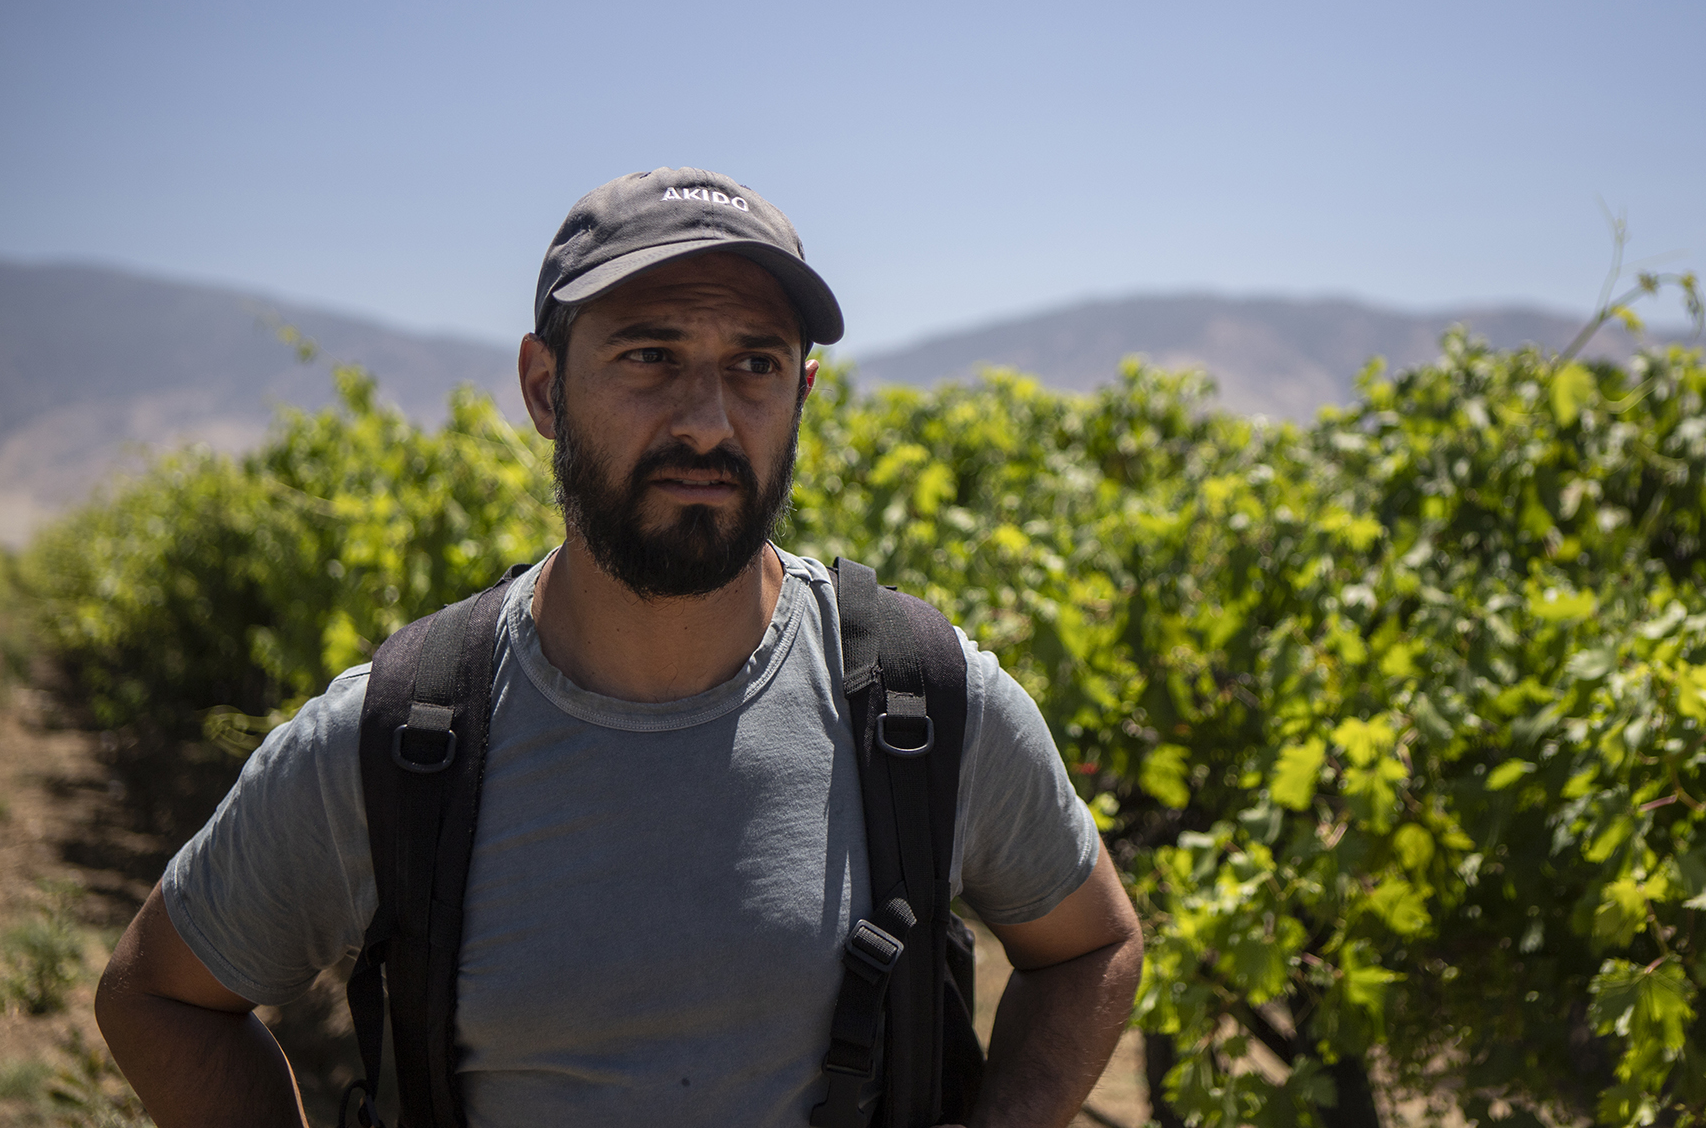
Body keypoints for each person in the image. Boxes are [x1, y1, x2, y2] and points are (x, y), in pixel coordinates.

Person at [94, 169, 1143, 1127]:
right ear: (544, 387)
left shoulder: (924, 706)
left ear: (801, 397)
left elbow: (1093, 943)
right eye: (650, 356)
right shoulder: (395, 740)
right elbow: (159, 997)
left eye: (753, 365)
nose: (706, 419)